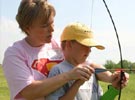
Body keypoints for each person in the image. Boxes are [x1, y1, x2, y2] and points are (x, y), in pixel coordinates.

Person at [2, 0, 93, 100]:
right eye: (45, 26)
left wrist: (110, 77)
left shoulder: (59, 45)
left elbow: (87, 64)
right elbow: (29, 92)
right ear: (28, 28)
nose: (52, 29)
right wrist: (68, 76)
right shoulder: (15, 53)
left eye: (52, 23)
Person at [45, 22, 129, 100]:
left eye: (91, 47)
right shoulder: (58, 71)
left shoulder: (90, 71)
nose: (89, 50)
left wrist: (114, 89)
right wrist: (77, 84)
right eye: (85, 45)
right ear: (69, 44)